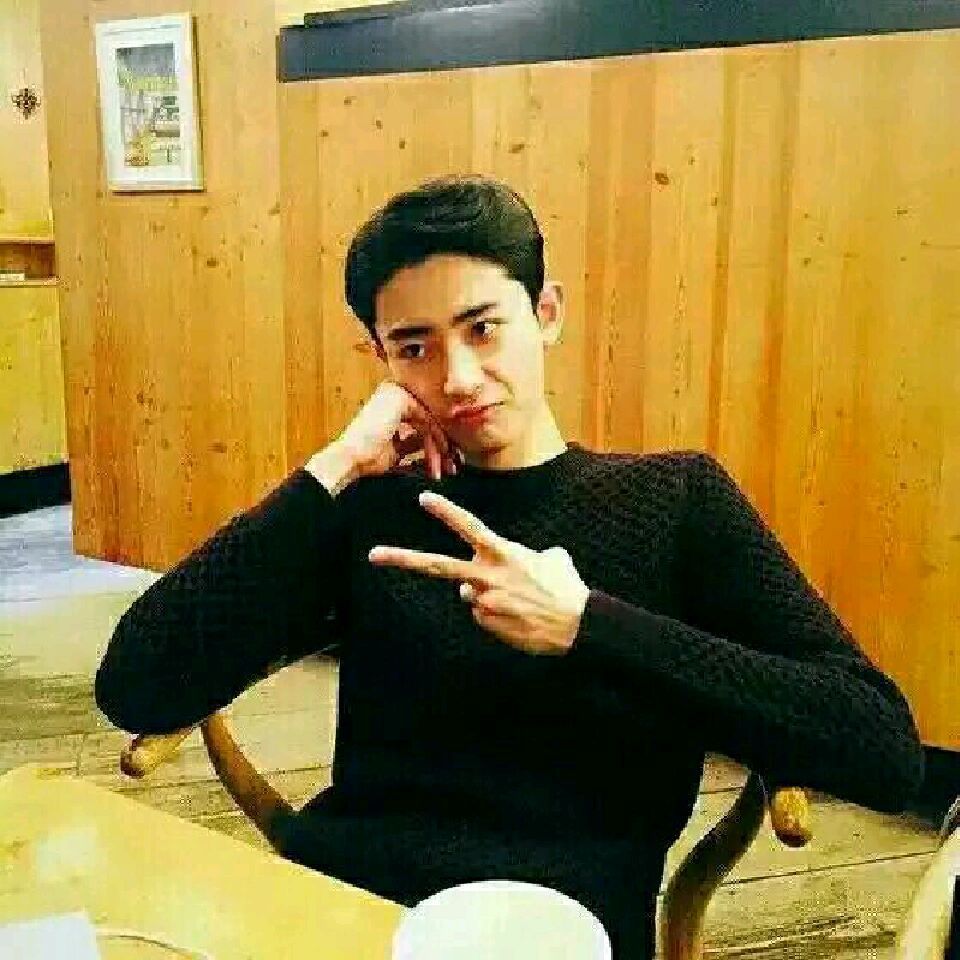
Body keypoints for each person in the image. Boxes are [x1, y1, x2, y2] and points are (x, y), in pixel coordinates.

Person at [95, 173, 925, 959]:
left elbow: (883, 749)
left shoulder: (675, 500)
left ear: (547, 313)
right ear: (380, 357)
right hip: (349, 913)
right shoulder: (376, 508)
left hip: (559, 930)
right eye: (413, 347)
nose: (457, 378)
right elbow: (138, 684)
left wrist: (588, 627)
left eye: (483, 328)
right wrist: (335, 466)